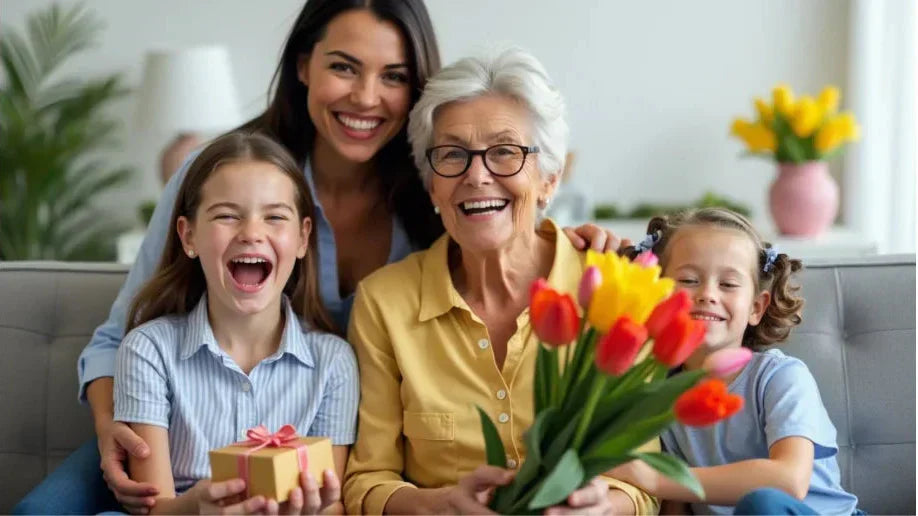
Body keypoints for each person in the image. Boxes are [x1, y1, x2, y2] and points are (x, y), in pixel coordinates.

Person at [13, 1, 620, 513]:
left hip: (310, 460)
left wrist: (574, 243)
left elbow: (502, 205)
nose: (366, 96)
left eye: (393, 76)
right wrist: (110, 435)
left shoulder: (428, 185)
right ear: (303, 66)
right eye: (343, 67)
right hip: (173, 435)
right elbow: (118, 337)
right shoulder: (224, 176)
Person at [342, 47, 656, 516]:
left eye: (505, 152)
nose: (476, 175)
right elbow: (367, 481)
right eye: (452, 155)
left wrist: (605, 508)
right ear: (432, 186)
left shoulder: (614, 288)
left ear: (549, 179)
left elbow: (644, 477)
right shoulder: (385, 303)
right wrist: (440, 506)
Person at [113, 132, 357, 514]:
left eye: (275, 217)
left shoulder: (334, 362)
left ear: (302, 238)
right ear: (188, 235)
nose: (252, 234)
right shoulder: (149, 350)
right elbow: (153, 507)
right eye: (227, 215)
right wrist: (195, 506)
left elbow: (333, 502)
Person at [610, 207, 860, 515]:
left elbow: (789, 480)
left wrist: (652, 478)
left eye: (728, 284)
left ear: (757, 307)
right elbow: (676, 507)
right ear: (658, 294)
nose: (707, 294)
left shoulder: (781, 378)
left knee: (763, 502)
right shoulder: (660, 393)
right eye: (688, 280)